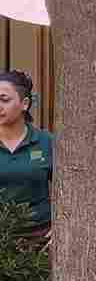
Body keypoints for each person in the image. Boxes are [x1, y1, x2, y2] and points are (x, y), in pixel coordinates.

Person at [0, 70, 53, 243]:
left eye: (4, 100)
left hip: (40, 241)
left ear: (25, 104)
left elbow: (73, 189)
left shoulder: (46, 142)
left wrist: (61, 226)